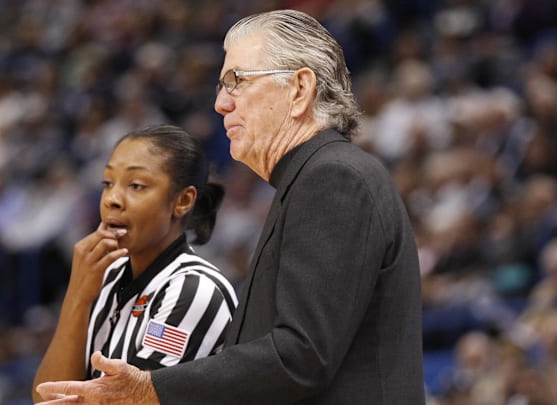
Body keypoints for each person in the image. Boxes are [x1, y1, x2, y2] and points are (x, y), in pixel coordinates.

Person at [36, 9, 424, 404]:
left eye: (235, 81)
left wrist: (151, 389)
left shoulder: (334, 178)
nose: (221, 103)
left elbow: (302, 356)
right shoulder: (314, 178)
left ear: (299, 89)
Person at [32, 125, 237, 402]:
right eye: (108, 183)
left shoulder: (195, 289)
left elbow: (133, 399)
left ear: (183, 200)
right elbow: (47, 397)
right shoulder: (109, 273)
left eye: (136, 185)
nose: (112, 200)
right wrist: (77, 297)